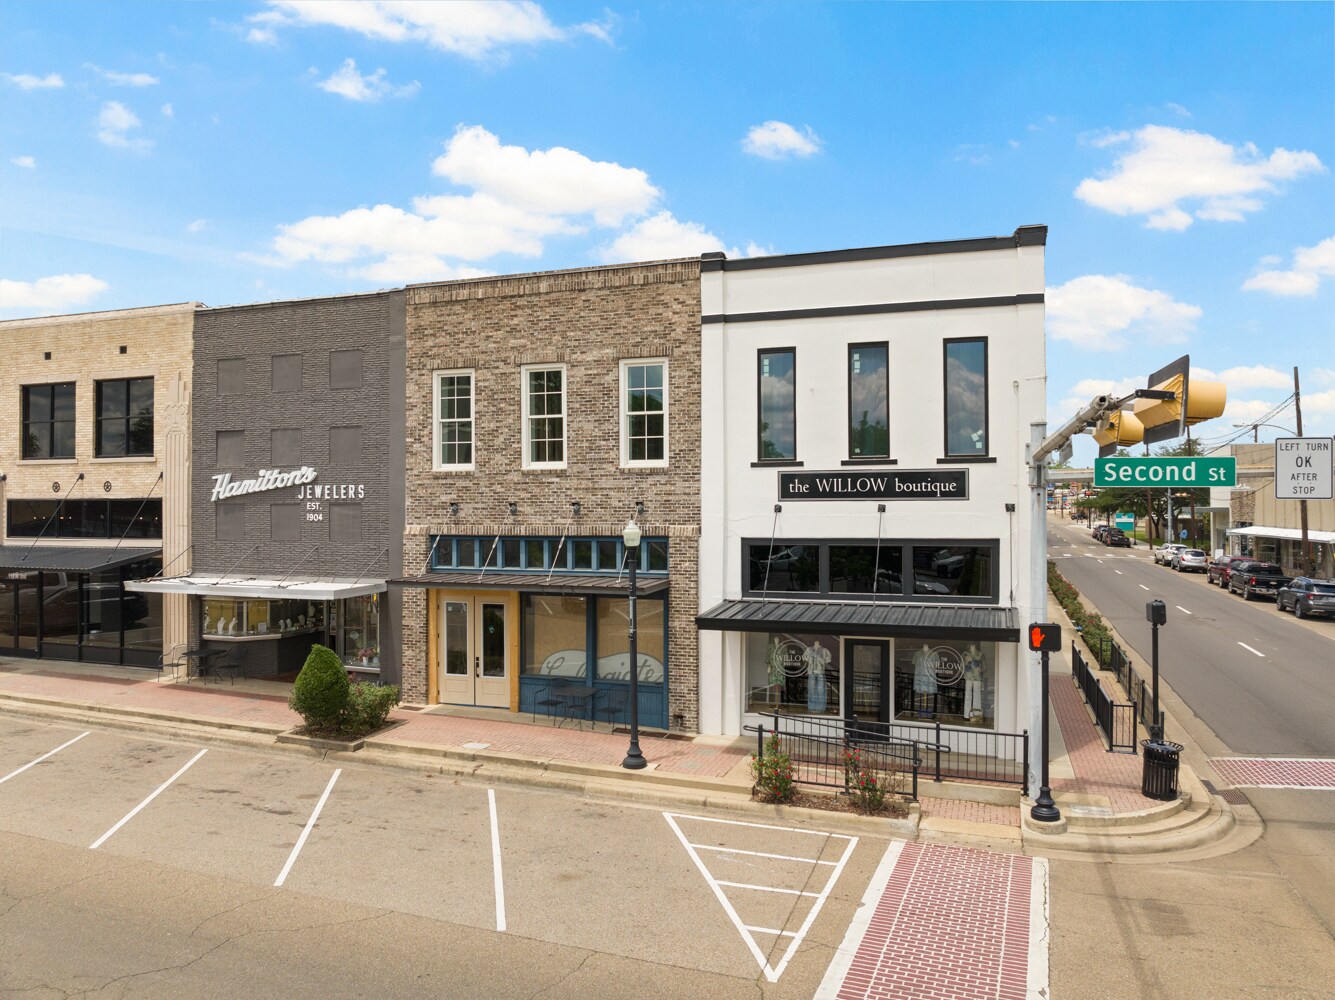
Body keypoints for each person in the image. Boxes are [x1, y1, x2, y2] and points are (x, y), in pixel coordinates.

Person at [802, 639, 831, 713]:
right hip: (811, 672)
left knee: (820, 690)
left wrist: (821, 660)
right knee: (811, 689)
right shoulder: (809, 650)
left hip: (820, 672)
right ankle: (812, 707)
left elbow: (828, 659)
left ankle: (820, 708)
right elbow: (804, 657)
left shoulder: (824, 650)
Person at [962, 643, 986, 724]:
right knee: (967, 695)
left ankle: (976, 715)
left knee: (977, 696)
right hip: (968, 677)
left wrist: (980, 670)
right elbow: (962, 666)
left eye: (973, 645)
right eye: (971, 646)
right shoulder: (965, 654)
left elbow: (984, 667)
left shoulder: (980, 655)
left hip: (977, 677)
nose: (972, 647)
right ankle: (966, 715)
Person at [912, 643, 939, 717]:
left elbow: (937, 664)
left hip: (929, 677)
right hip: (920, 676)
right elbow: (914, 663)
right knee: (923, 692)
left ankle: (925, 710)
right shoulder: (917, 654)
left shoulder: (934, 654)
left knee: (927, 692)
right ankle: (923, 710)